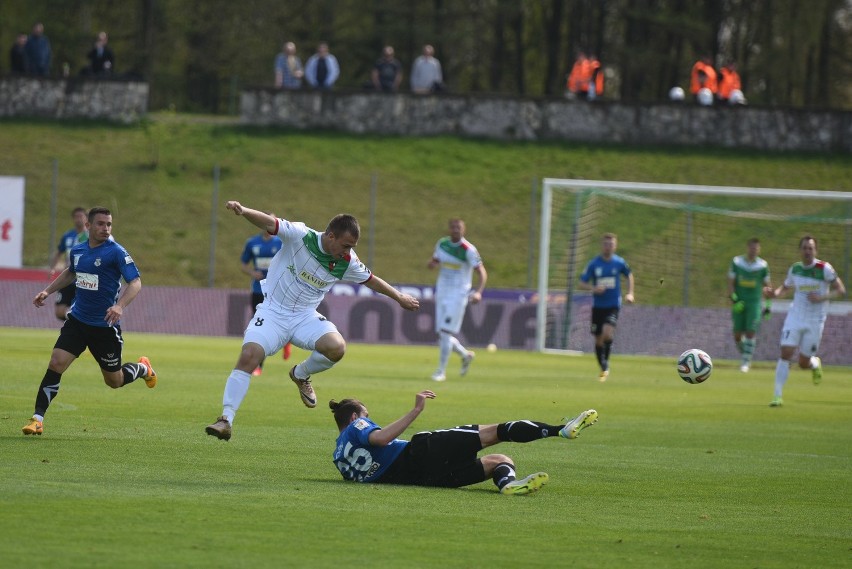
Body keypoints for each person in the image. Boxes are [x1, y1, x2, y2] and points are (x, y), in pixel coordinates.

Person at [205, 202, 420, 441]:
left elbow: (371, 280)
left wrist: (399, 297)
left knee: (337, 347)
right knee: (248, 356)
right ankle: (226, 420)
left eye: (352, 247)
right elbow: (269, 223)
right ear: (330, 236)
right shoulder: (301, 236)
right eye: (346, 245)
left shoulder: (346, 261)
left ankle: (300, 374)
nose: (348, 251)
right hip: (273, 312)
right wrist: (244, 211)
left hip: (304, 316)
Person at [22, 207, 158, 436]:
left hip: (104, 327)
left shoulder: (116, 252)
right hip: (78, 321)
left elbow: (135, 282)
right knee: (56, 362)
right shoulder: (78, 250)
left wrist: (119, 306)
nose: (106, 228)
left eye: (109, 224)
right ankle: (37, 419)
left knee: (114, 381)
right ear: (88, 226)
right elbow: (70, 272)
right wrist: (47, 291)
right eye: (101, 224)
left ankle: (144, 368)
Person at [331, 390, 598, 494]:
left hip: (422, 478)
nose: (369, 419)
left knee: (501, 461)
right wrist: (415, 411)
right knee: (497, 431)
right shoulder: (357, 425)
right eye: (366, 415)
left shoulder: (338, 458)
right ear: (355, 416)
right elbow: (381, 438)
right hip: (420, 452)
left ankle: (508, 484)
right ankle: (560, 430)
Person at [767, 235, 845, 407]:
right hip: (795, 317)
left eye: (810, 248)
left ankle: (814, 363)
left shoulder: (824, 269)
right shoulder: (795, 269)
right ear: (800, 251)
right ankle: (777, 395)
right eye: (804, 248)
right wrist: (774, 294)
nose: (807, 251)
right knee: (785, 352)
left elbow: (840, 290)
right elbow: (785, 288)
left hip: (815, 321)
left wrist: (822, 297)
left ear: (815, 250)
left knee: (803, 363)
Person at [427, 218, 486, 382]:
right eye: (453, 227)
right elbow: (436, 260)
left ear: (463, 230)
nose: (455, 230)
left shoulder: (468, 249)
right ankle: (465, 355)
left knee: (445, 332)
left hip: (459, 295)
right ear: (449, 229)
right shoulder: (442, 244)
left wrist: (479, 292)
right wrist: (431, 264)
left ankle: (440, 371)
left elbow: (481, 272)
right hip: (442, 293)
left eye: (458, 227)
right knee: (441, 334)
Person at [578, 233, 634, 381]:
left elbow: (629, 275)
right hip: (598, 306)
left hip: (613, 304)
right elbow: (581, 282)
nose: (608, 247)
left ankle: (606, 364)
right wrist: (593, 288)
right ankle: (603, 367)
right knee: (598, 340)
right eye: (605, 244)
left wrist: (630, 293)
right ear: (601, 245)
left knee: (607, 333)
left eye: (611, 244)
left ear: (615, 246)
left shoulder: (619, 262)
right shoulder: (594, 264)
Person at [239, 227, 291, 375]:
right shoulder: (252, 243)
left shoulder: (282, 243)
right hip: (258, 290)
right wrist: (251, 272)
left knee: (278, 322)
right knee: (258, 326)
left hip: (278, 290)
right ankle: (257, 365)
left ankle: (286, 339)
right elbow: (243, 265)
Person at [727, 238, 773, 373]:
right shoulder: (736, 262)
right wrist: (734, 300)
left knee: (750, 332)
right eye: (751, 248)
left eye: (756, 248)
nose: (753, 250)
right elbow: (730, 283)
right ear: (747, 248)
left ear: (759, 250)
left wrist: (768, 306)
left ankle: (746, 362)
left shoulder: (763, 266)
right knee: (737, 335)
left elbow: (768, 287)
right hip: (739, 303)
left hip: (754, 303)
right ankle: (745, 353)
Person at [49, 207, 89, 321]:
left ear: (86, 218)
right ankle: (76, 320)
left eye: (81, 216)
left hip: (84, 279)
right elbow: (59, 252)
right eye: (76, 217)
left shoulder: (90, 236)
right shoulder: (68, 236)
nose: (79, 219)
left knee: (84, 308)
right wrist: (52, 268)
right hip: (68, 277)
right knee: (59, 312)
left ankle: (78, 325)